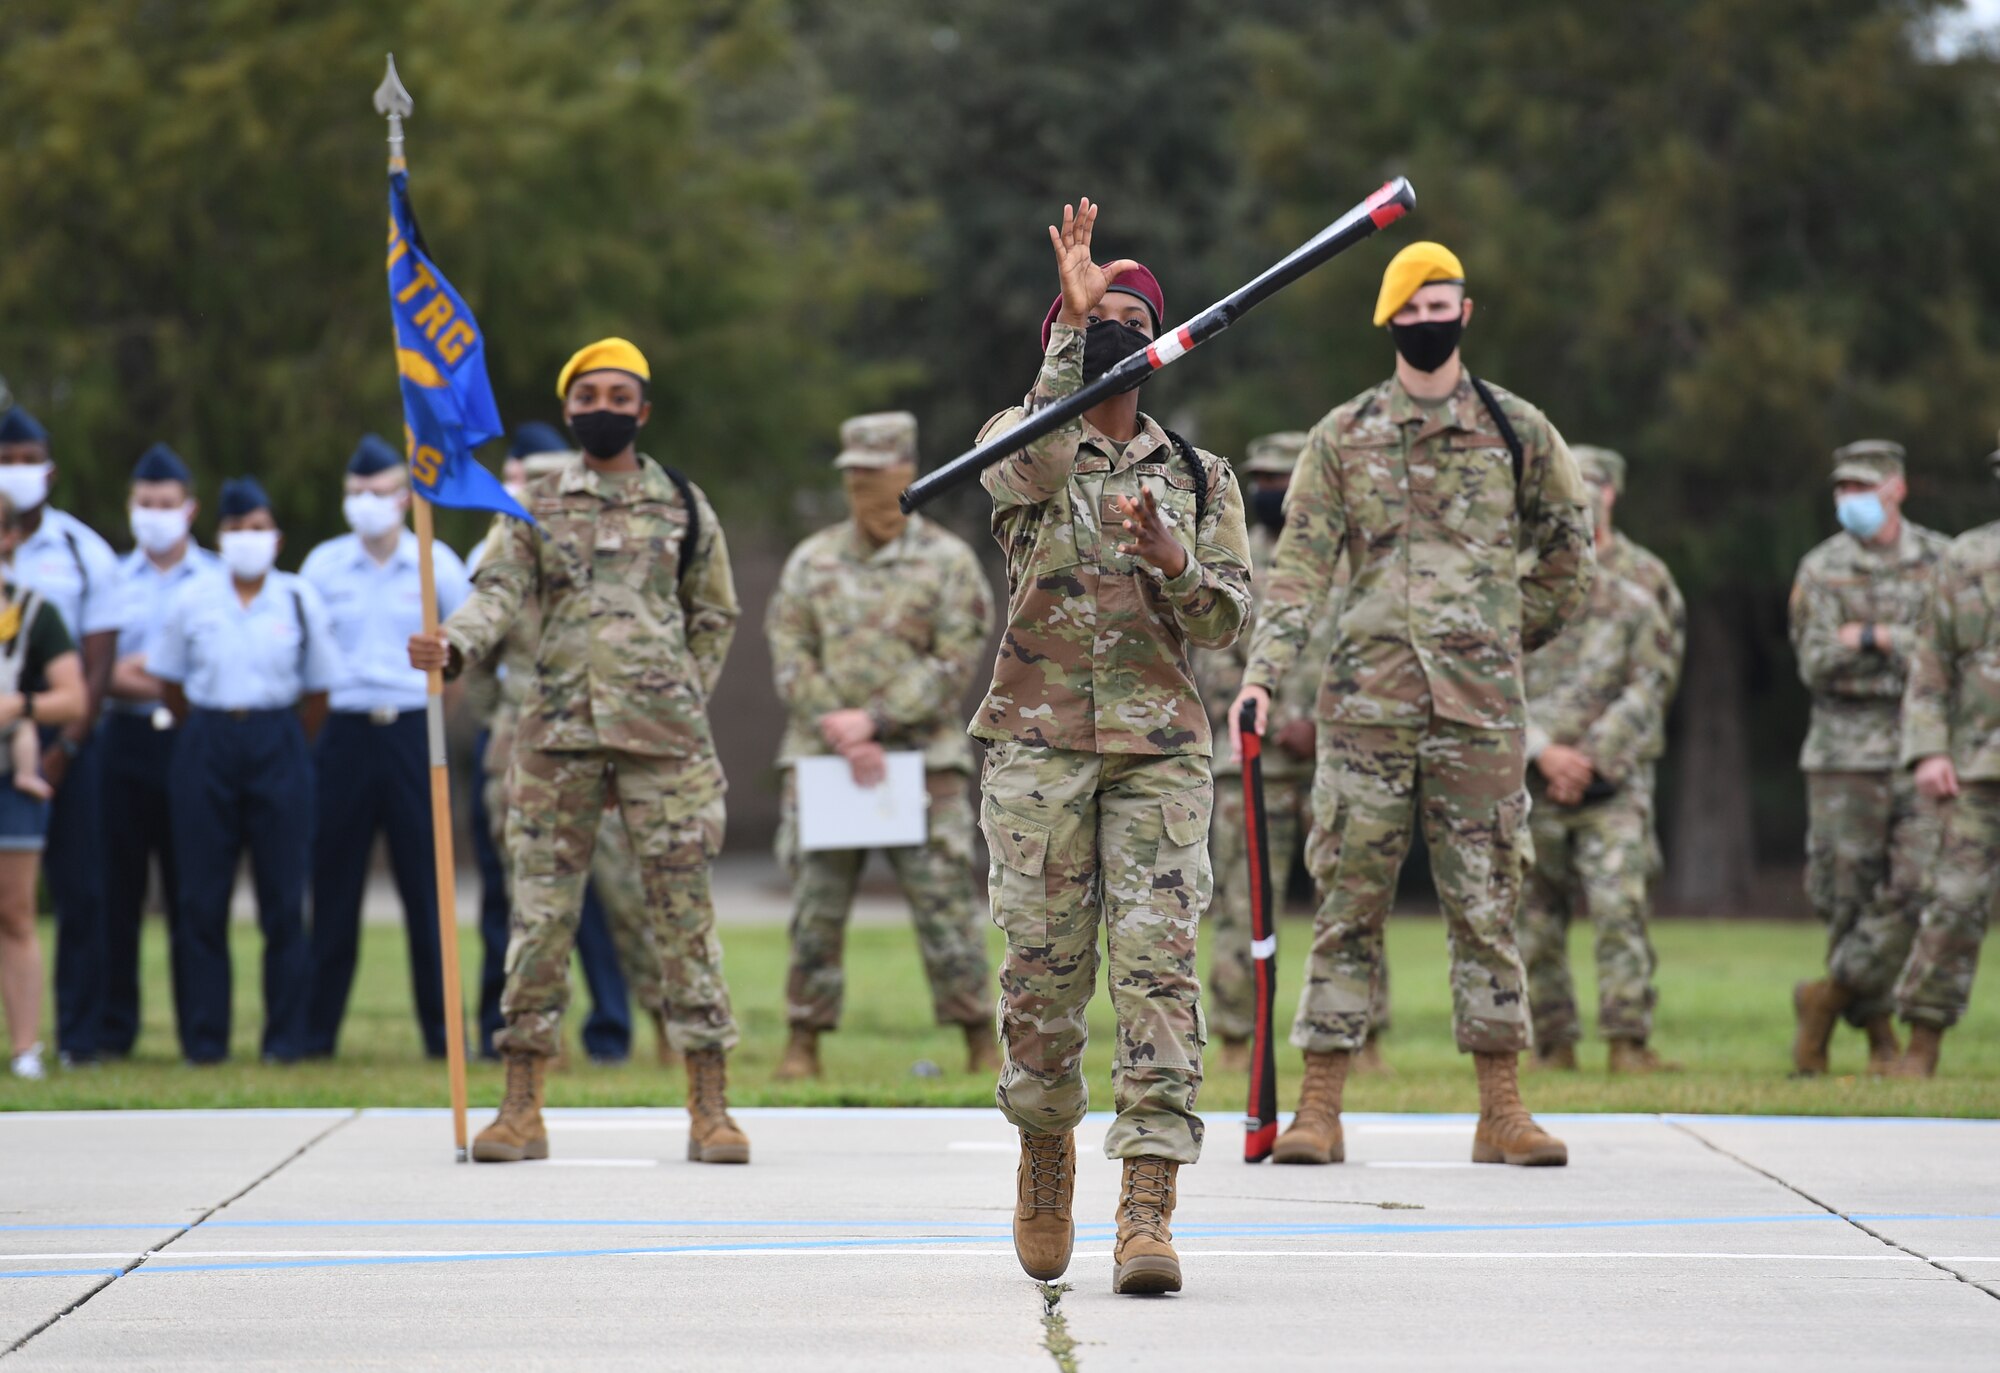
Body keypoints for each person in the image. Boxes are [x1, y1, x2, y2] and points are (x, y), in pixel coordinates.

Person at [1232, 240, 1593, 1169]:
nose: (1430, 325)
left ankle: (1501, 1109)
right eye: (1414, 311)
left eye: (1445, 309)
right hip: (1368, 707)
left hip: (1480, 713)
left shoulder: (1519, 431)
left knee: (1487, 903)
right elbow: (1300, 569)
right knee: (1349, 901)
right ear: (1389, 321)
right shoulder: (1343, 435)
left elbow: (1569, 552)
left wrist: (1505, 632)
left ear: (1465, 314)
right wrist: (1265, 675)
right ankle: (1320, 1106)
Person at [976, 201, 1252, 1295]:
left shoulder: (1199, 476)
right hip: (1038, 749)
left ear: (1162, 344)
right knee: (1041, 977)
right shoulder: (1014, 435)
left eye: (1129, 319)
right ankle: (1044, 1151)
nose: (1109, 329)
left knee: (1157, 976)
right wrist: (1064, 334)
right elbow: (1029, 473)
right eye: (1093, 315)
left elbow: (1229, 620)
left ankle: (1147, 1198)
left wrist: (1176, 562)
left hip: (1156, 755)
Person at [409, 338, 749, 1165]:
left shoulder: (682, 502)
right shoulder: (534, 506)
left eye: (620, 395)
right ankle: (520, 1104)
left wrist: (679, 692)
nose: (605, 407)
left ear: (643, 409)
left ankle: (710, 1106)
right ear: (569, 408)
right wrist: (453, 647)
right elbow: (497, 594)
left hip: (665, 746)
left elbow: (715, 614)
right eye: (589, 394)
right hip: (557, 734)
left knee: (683, 921)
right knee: (540, 920)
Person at [766, 411, 996, 1081]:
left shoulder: (947, 562)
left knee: (947, 906)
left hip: (921, 763)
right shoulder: (812, 562)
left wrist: (875, 719)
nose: (865, 487)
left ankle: (979, 1034)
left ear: (907, 474)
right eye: (855, 475)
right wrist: (839, 725)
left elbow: (956, 660)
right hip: (825, 758)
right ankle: (803, 1039)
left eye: (878, 473)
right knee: (816, 907)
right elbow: (789, 654)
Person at [1195, 432, 1390, 1074]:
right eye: (1262, 480)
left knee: (1352, 899)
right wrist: (1277, 723)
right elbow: (1216, 658)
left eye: (1284, 479)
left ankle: (1363, 1041)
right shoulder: (1236, 562)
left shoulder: (1355, 564)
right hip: (1253, 760)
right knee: (1243, 904)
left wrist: (1324, 724)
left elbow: (1376, 658)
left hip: (1342, 759)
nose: (1270, 492)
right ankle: (1233, 1039)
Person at [465, 427, 652, 1066]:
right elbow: (482, 667)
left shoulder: (613, 562)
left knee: (626, 900)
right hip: (520, 751)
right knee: (532, 901)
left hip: (604, 742)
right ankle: (539, 1038)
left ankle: (641, 1027)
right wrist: (506, 721)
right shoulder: (505, 564)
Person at [151, 478, 339, 1063]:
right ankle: (204, 1042)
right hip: (206, 739)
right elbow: (170, 684)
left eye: (256, 528)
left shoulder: (300, 599)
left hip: (278, 738)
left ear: (276, 538)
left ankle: (285, 1040)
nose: (245, 540)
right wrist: (210, 730)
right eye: (234, 530)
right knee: (201, 900)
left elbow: (318, 694)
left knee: (284, 900)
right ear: (218, 536)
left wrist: (281, 740)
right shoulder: (192, 599)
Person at [298, 434, 471, 1059]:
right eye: (354, 493)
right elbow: (307, 665)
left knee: (428, 889)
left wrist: (429, 716)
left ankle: (445, 1036)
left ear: (403, 498)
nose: (365, 503)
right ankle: (313, 1036)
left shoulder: (437, 564)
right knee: (334, 885)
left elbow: (460, 663)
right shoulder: (321, 567)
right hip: (343, 731)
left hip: (410, 728)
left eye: (376, 492)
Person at [1787, 439, 1947, 1075]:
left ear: (1897, 489)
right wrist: (1907, 658)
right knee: (1846, 899)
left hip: (1921, 749)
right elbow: (1819, 664)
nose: (1850, 500)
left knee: (1917, 888)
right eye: (1842, 489)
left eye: (1864, 487)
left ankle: (1826, 999)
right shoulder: (1820, 568)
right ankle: (1880, 1038)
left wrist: (1874, 637)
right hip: (1842, 757)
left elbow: (1946, 658)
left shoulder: (1943, 560)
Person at [1518, 449, 1679, 1072]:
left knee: (1620, 911)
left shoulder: (1639, 596)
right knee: (1534, 918)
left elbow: (1653, 683)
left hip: (1613, 782)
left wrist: (1590, 756)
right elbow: (1487, 680)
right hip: (1533, 782)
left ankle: (1628, 1044)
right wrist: (1544, 753)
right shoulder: (1515, 589)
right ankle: (1551, 1045)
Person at [0, 405, 122, 1066]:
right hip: (22, 736)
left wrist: (64, 747)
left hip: (69, 740)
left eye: (26, 458)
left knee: (81, 888)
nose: (16, 472)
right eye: (5, 458)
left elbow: (97, 664)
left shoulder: (83, 549)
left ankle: (78, 1034)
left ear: (49, 466)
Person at [101, 444, 220, 1057]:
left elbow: (210, 671)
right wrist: (162, 671)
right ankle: (113, 1032)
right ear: (131, 508)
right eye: (145, 505)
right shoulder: (109, 577)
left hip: (188, 741)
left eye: (166, 505)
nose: (155, 515)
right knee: (117, 892)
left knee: (193, 890)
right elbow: (101, 674)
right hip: (120, 743)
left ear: (190, 509)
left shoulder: (220, 580)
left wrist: (144, 667)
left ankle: (199, 1037)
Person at [1890, 441, 2000, 1077]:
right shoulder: (1966, 558)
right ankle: (1922, 1044)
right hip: (1980, 766)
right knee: (1954, 903)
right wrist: (1929, 750)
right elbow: (1929, 666)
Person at [1570, 447, 1685, 910]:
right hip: (1541, 762)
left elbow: (1662, 672)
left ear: (1611, 491)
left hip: (1620, 762)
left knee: (1624, 902)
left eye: (1591, 483)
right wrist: (1547, 751)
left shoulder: (1647, 576)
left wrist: (1599, 750)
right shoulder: (1531, 570)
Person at [0, 491, 88, 1079]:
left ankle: (26, 1047)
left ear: (10, 538)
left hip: (11, 774)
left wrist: (18, 704)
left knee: (16, 912)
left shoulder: (32, 612)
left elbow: (74, 698)